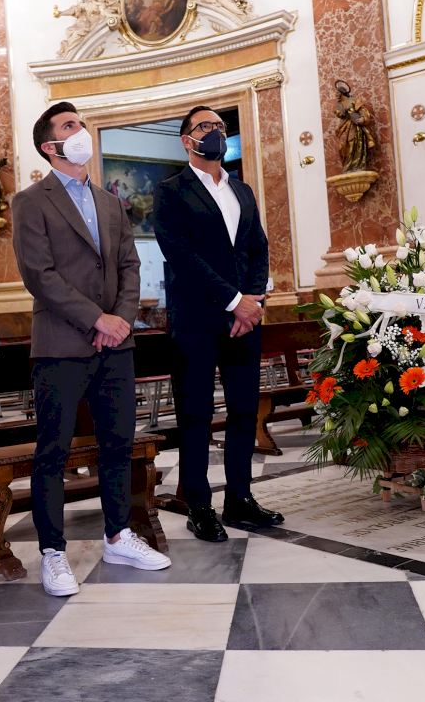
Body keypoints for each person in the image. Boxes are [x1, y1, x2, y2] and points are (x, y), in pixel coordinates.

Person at [13, 101, 171, 597]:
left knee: (118, 443)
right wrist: (95, 318)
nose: (80, 131)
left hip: (115, 345)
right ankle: (52, 552)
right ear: (50, 146)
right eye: (69, 126)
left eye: (80, 123)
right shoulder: (30, 202)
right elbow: (39, 274)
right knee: (54, 451)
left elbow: (129, 265)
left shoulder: (109, 202)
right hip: (61, 343)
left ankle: (119, 535)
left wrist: (119, 320)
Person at [152, 105, 283, 542]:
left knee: (244, 410)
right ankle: (199, 505)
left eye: (220, 127)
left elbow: (258, 248)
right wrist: (233, 301)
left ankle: (240, 498)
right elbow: (181, 255)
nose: (215, 133)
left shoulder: (241, 189)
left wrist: (253, 300)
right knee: (196, 414)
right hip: (197, 319)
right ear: (186, 140)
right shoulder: (171, 191)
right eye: (205, 126)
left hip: (245, 318)